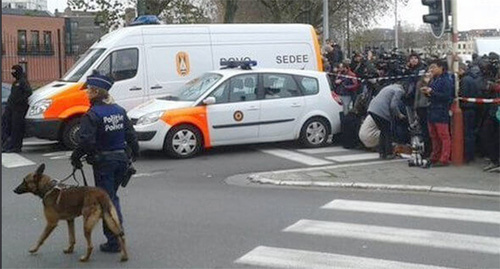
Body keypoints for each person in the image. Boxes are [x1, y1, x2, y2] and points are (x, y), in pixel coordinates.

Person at [71, 73, 139, 253]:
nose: (86, 93)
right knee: (112, 197)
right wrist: (133, 155)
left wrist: (76, 157)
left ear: (95, 92)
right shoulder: (119, 110)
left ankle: (115, 240)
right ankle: (116, 237)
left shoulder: (92, 115)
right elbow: (131, 136)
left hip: (104, 163)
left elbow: (86, 142)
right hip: (121, 160)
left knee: (107, 201)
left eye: (88, 91)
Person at [421, 60, 453, 167]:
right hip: (432, 109)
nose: (431, 70)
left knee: (443, 136)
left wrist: (432, 92)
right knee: (434, 136)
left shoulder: (446, 80)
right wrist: (427, 92)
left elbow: (447, 96)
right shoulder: (434, 80)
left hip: (441, 110)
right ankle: (435, 156)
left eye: (434, 67)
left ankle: (444, 158)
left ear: (441, 68)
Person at [367, 83, 406, 159]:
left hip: (372, 108)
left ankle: (382, 153)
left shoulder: (388, 87)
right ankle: (389, 153)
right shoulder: (399, 90)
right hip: (381, 111)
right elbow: (393, 105)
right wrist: (399, 114)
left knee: (383, 131)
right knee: (388, 132)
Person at [2, 65, 32, 153]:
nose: (12, 72)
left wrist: (19, 101)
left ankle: (16, 147)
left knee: (17, 128)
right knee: (8, 126)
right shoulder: (15, 82)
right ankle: (8, 145)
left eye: (14, 71)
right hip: (11, 108)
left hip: (19, 110)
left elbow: (28, 92)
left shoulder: (23, 81)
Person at [458, 63, 481, 163]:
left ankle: (467, 155)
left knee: (467, 133)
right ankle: (471, 154)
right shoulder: (473, 79)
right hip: (473, 108)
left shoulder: (464, 80)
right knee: (470, 132)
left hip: (466, 108)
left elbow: (463, 95)